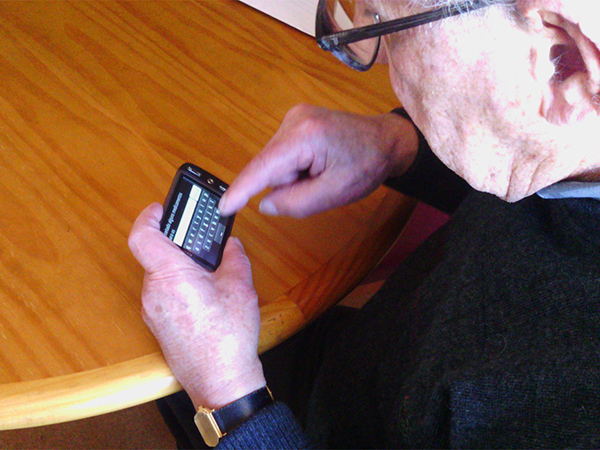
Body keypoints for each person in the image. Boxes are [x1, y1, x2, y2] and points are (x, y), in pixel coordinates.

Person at [128, 0, 600, 447]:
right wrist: (394, 147)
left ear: (567, 67)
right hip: (375, 363)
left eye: (387, 27)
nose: (382, 69)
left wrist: (230, 402)